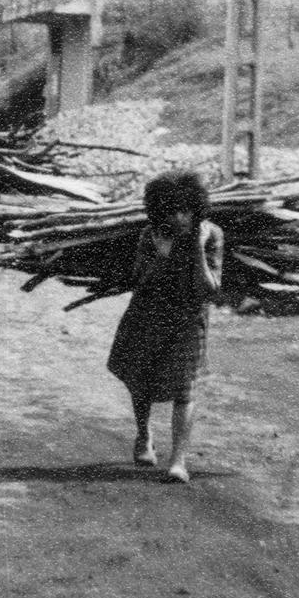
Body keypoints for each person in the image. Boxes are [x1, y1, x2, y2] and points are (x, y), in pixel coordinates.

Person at [107, 168, 223, 483]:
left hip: (189, 320)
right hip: (148, 315)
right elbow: (139, 281)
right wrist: (161, 256)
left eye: (186, 210)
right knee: (141, 379)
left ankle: (178, 461)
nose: (181, 217)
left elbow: (210, 290)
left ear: (196, 208)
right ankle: (143, 435)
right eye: (173, 211)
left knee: (185, 388)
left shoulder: (211, 235)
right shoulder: (151, 235)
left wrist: (198, 249)